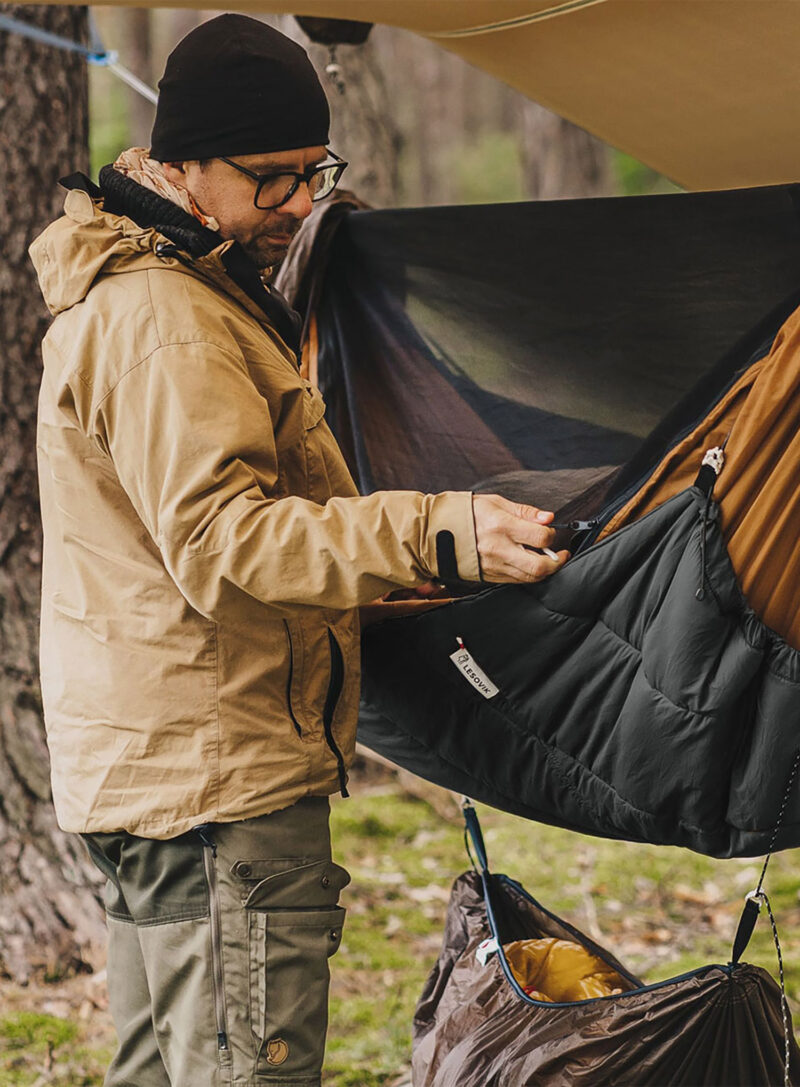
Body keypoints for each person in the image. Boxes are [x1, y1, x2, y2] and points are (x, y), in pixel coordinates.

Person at [30, 15, 567, 1087]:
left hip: (154, 767)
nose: (293, 205)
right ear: (180, 165)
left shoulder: (168, 289)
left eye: (307, 173)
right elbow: (224, 542)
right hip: (215, 782)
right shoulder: (168, 323)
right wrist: (433, 528)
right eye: (266, 179)